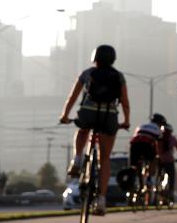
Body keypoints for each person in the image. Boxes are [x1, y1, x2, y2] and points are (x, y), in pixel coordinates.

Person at [59, 44, 130, 215]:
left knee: (82, 129)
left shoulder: (87, 73)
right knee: (105, 159)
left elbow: (73, 96)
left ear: (95, 58)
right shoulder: (118, 76)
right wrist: (126, 121)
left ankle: (76, 159)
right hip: (109, 116)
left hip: (88, 113)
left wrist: (65, 115)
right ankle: (101, 200)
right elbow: (125, 103)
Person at [129, 113, 166, 186]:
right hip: (147, 144)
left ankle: (133, 176)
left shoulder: (142, 126)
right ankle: (149, 179)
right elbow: (159, 144)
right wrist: (160, 156)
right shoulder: (158, 129)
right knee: (154, 159)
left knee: (134, 164)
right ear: (160, 123)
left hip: (134, 144)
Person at [158, 123, 177, 199]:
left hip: (159, 161)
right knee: (171, 178)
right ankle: (170, 192)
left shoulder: (159, 138)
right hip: (169, 161)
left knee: (158, 176)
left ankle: (157, 188)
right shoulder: (172, 138)